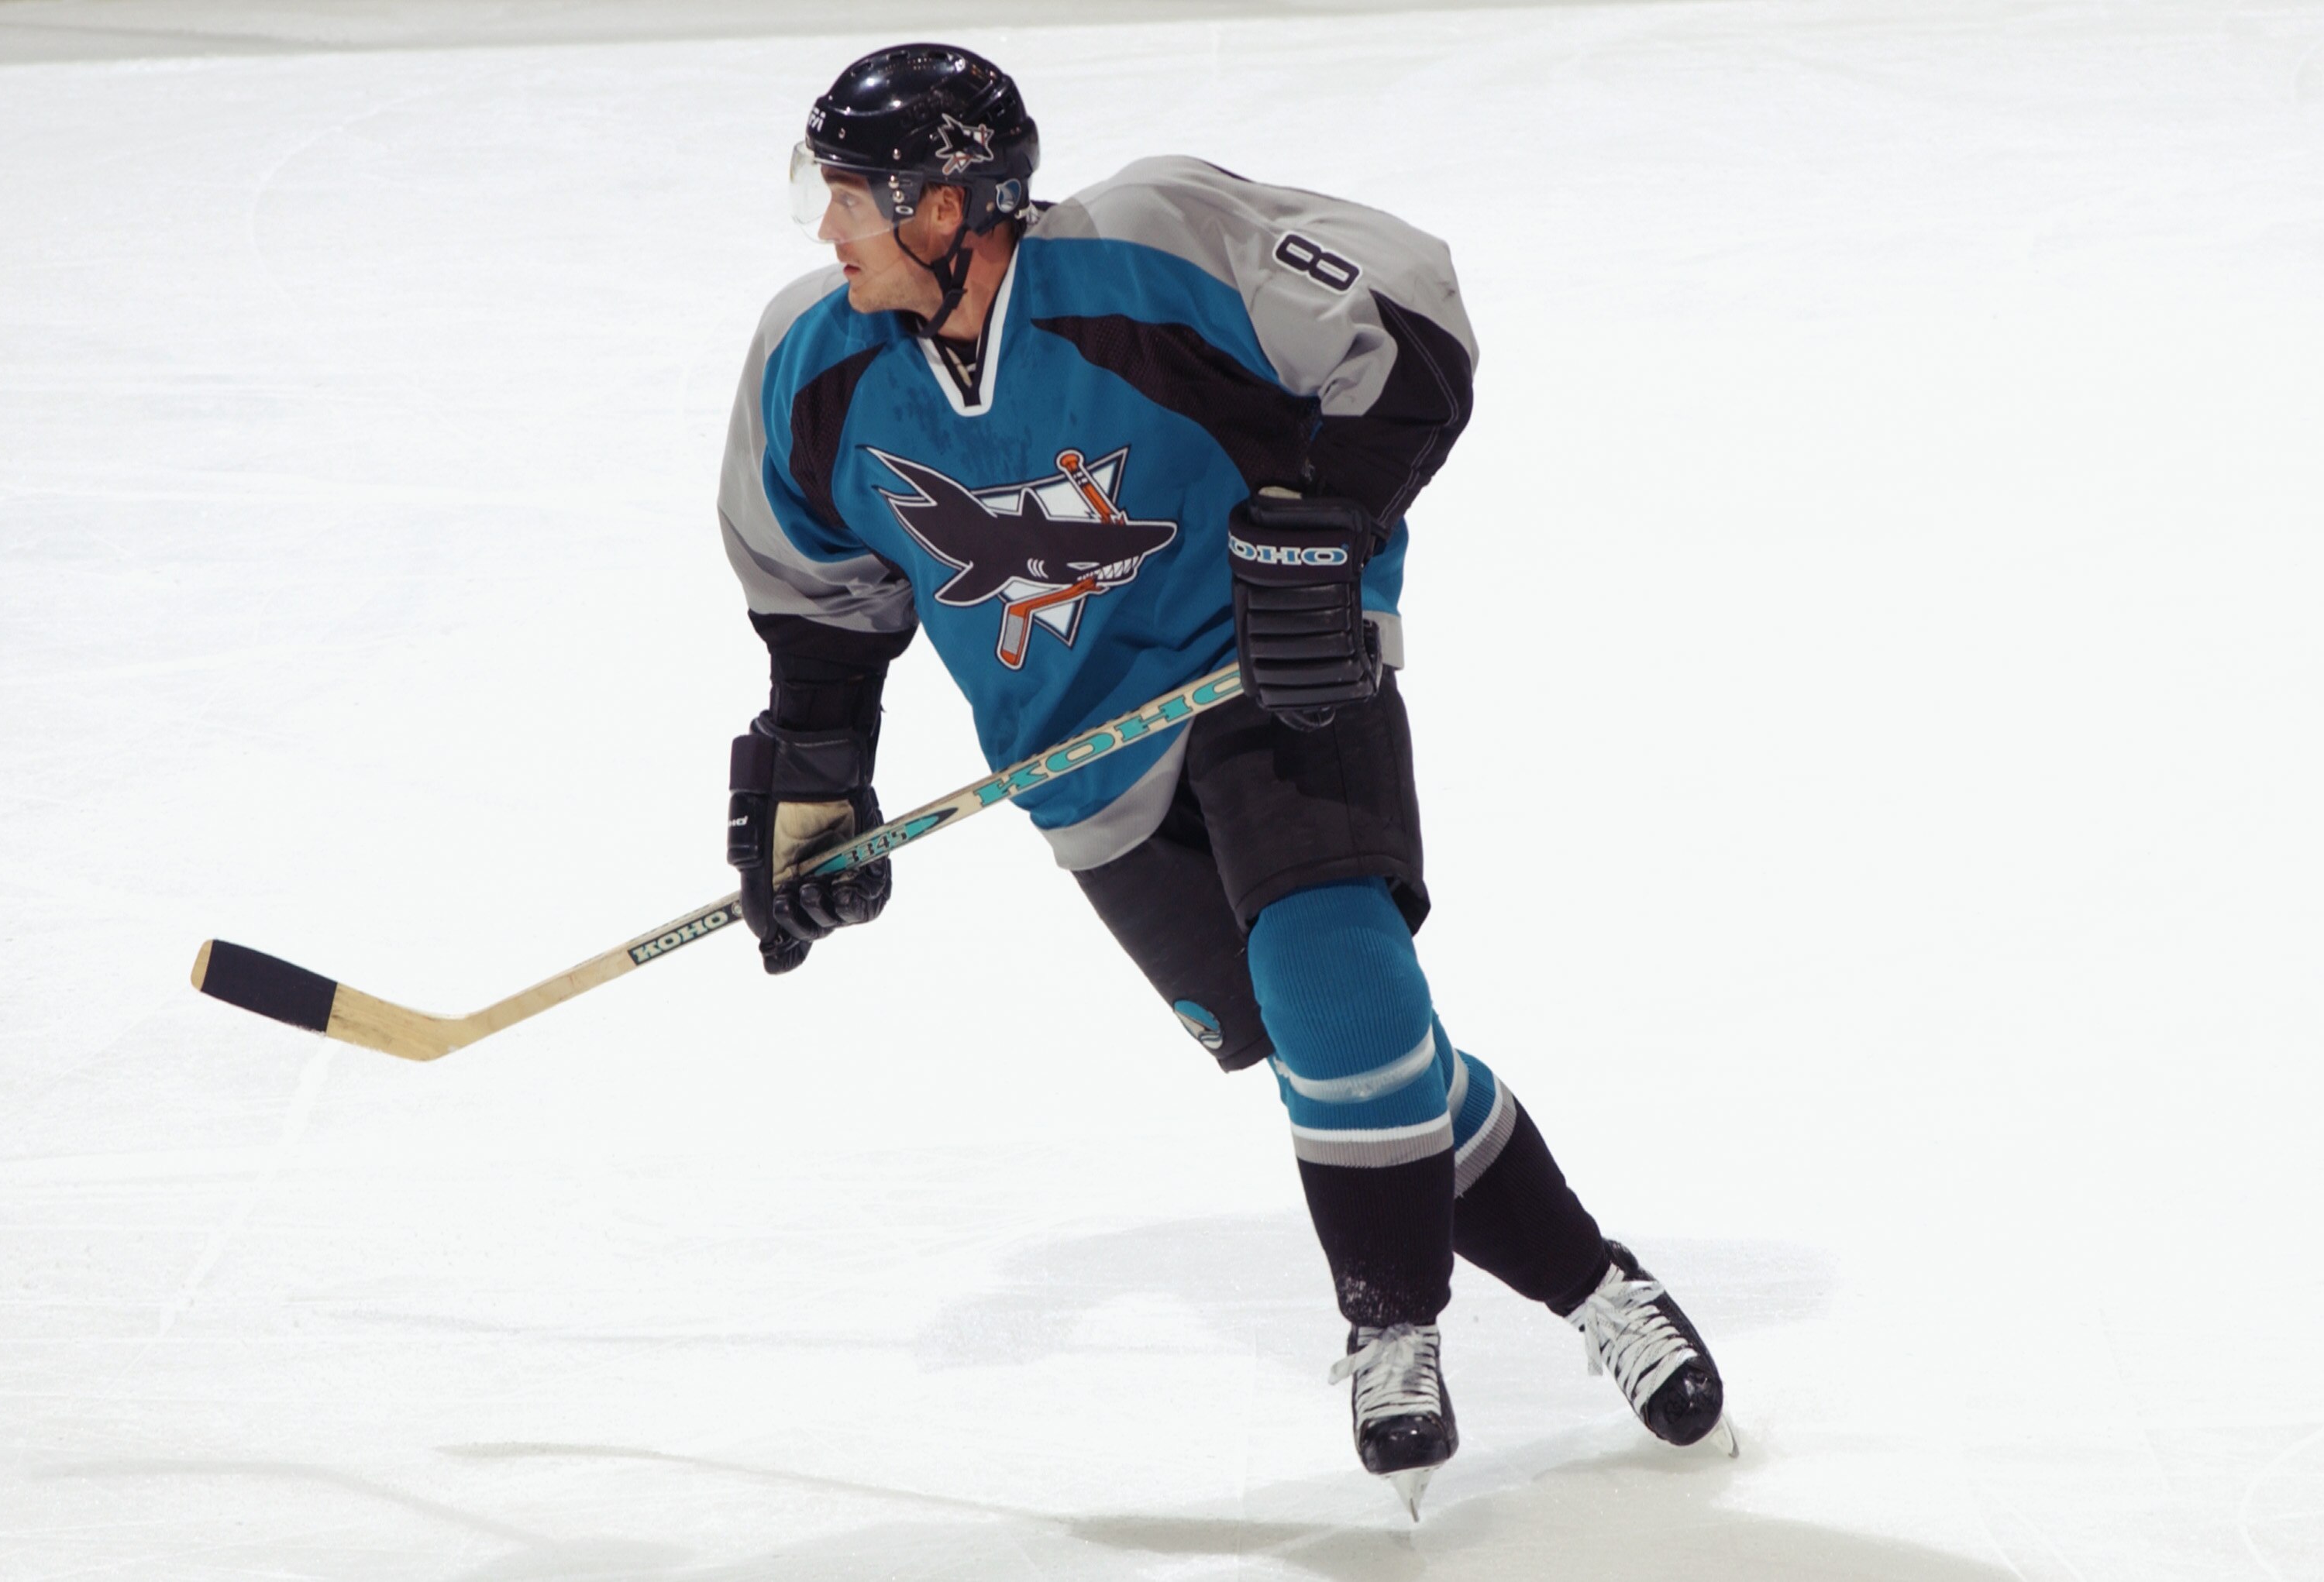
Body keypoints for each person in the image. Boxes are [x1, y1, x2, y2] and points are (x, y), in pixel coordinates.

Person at [716, 42, 1731, 1514]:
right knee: (1348, 1059)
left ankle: (1392, 1323)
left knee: (1334, 962)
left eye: (854, 197)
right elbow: (818, 591)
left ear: (947, 204)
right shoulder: (812, 362)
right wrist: (815, 773)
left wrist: (1326, 529)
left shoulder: (1153, 244)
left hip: (1271, 674)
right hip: (1078, 768)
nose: (829, 228)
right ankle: (1598, 1284)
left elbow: (1410, 325)